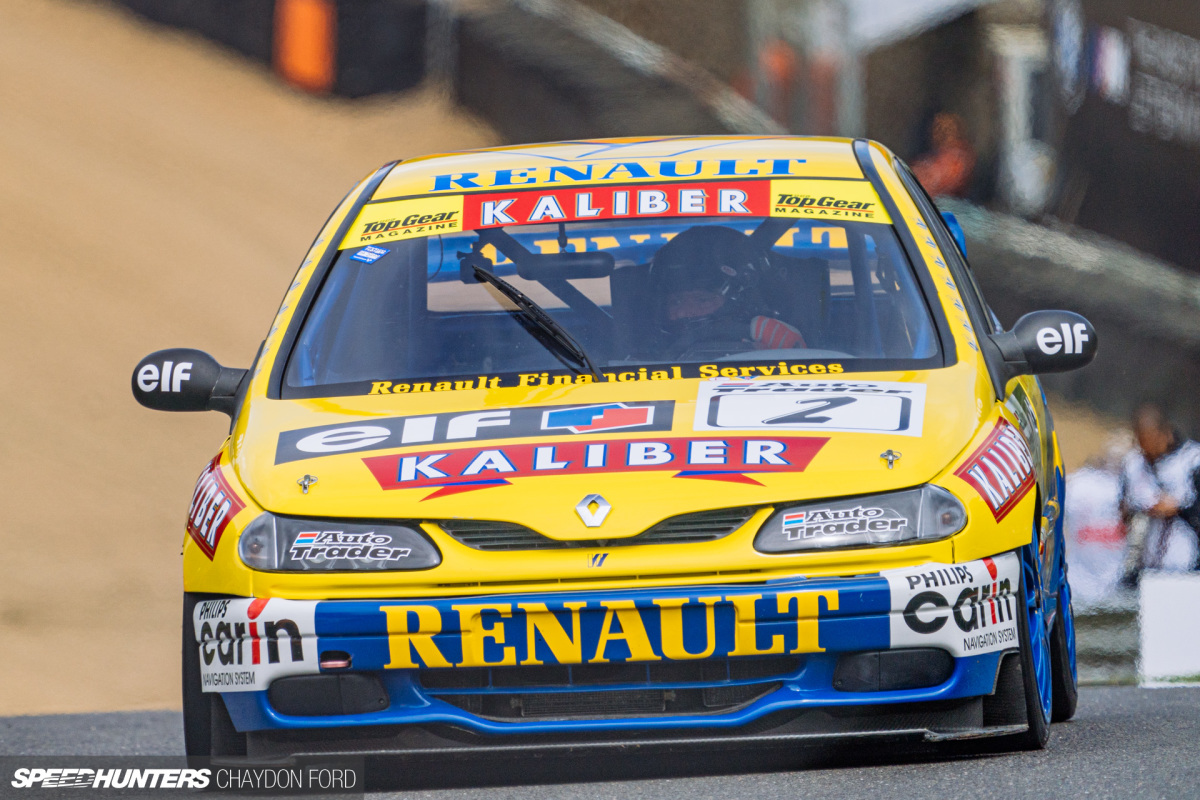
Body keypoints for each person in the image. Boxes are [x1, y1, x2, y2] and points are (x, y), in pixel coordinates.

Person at [648, 225, 805, 358]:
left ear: (738, 302)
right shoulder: (638, 361)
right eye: (676, 302)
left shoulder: (772, 341)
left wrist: (786, 352)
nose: (684, 312)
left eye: (702, 300)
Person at [1118, 403, 1200, 583]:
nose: (1146, 449)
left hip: (1186, 565)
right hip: (1146, 567)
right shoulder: (1133, 464)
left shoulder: (1192, 460)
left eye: (1150, 440)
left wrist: (1178, 507)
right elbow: (1123, 511)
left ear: (1163, 432)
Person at [911, 112, 976, 198]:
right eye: (938, 127)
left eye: (948, 128)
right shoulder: (934, 155)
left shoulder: (957, 156)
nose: (941, 132)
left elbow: (944, 184)